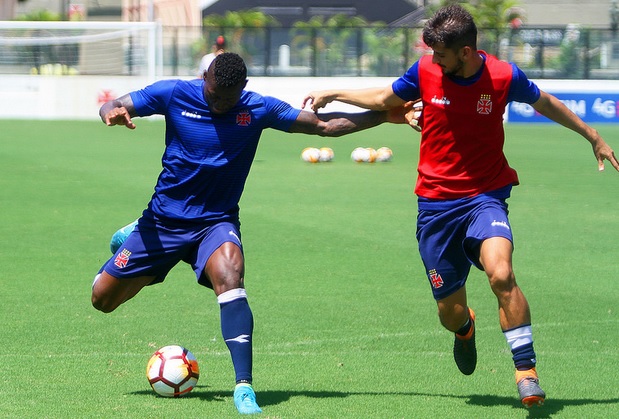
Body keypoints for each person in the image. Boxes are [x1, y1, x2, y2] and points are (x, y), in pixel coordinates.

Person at [302, 4, 619, 409]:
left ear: (466, 52)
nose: (435, 61)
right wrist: (334, 90)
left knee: (501, 273)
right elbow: (384, 99)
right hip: (434, 206)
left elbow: (546, 103)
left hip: (485, 197)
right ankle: (465, 329)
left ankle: (526, 370)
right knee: (449, 313)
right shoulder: (425, 71)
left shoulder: (504, 76)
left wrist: (592, 135)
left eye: (442, 55)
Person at [92, 52, 412, 415]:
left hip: (215, 222)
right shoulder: (174, 93)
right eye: (212, 94)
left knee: (231, 277)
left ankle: (244, 387)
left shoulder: (256, 108)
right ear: (205, 80)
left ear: (242, 89)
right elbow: (116, 103)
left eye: (226, 99)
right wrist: (111, 112)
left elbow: (323, 125)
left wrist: (384, 115)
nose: (217, 103)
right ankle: (137, 240)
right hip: (163, 222)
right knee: (102, 300)